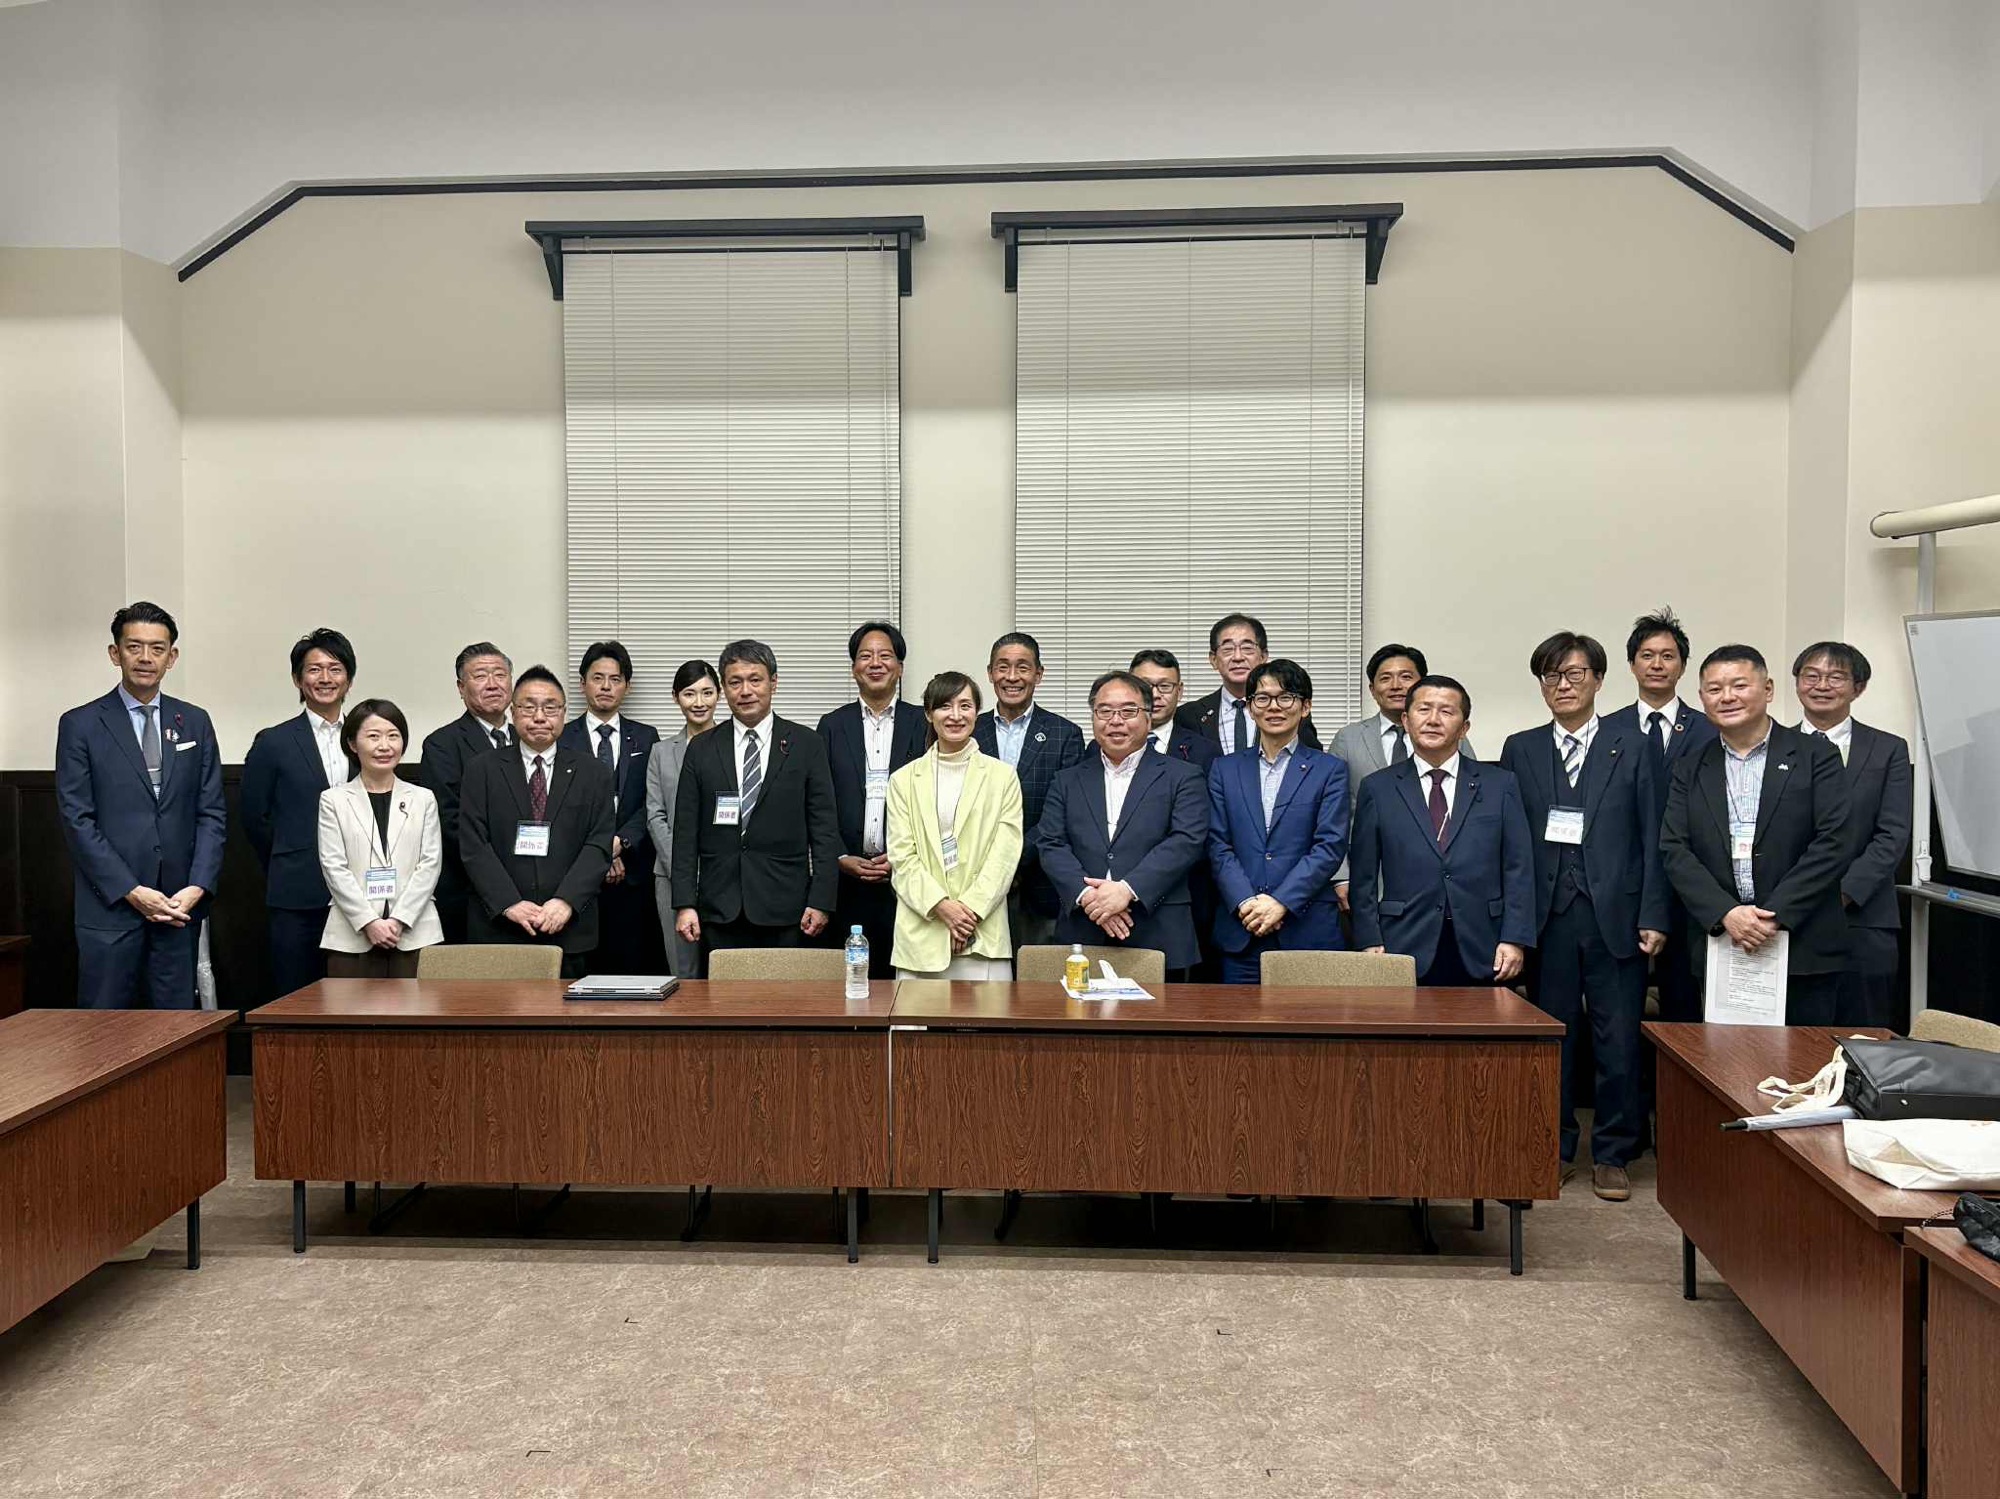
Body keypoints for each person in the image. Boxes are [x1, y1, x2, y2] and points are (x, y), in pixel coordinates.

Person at [1499, 633, 1670, 1202]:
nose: (1563, 685)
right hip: (1548, 918)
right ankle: (1554, 1145)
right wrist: (1513, 926)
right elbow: (1510, 844)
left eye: (1574, 674)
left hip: (1616, 916)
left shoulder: (1634, 745)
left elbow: (1654, 835)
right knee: (1554, 1037)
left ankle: (1614, 1152)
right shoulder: (1521, 748)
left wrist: (1654, 914)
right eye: (1551, 676)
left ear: (1598, 679)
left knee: (1617, 1039)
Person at [1660, 645, 1851, 1025]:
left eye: (1739, 685)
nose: (1727, 697)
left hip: (1802, 944)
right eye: (1714, 689)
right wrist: (1726, 913)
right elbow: (1674, 848)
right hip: (1722, 941)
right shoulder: (1690, 767)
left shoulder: (1817, 756)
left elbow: (1834, 842)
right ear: (1701, 698)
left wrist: (1773, 916)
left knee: (1803, 1059)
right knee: (1725, 1057)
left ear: (1768, 689)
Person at [55, 602, 226, 1009]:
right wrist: (131, 891)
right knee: (105, 1027)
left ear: (172, 657)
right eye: (134, 647)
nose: (146, 657)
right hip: (111, 907)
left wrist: (197, 887)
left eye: (157, 648)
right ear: (115, 653)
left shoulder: (195, 721)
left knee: (175, 1027)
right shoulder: (80, 724)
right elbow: (77, 819)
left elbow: (212, 812)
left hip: (177, 906)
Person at [1350, 676, 1535, 986]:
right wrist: (1369, 939)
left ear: (1464, 728)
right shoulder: (1378, 788)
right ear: (1406, 721)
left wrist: (1514, 938)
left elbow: (1519, 867)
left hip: (1485, 944)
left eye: (1447, 711)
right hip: (1401, 942)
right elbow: (1363, 875)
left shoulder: (1500, 784)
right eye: (1424, 709)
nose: (1433, 720)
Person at [672, 641, 843, 962]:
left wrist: (821, 900)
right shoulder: (702, 748)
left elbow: (824, 830)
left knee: (784, 994)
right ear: (724, 688)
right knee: (722, 994)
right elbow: (684, 834)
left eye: (755, 680)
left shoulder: (807, 744)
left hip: (787, 908)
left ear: (773, 683)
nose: (746, 691)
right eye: (735, 682)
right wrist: (685, 904)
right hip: (719, 908)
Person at [1038, 670, 1209, 975]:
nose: (1115, 721)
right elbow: (1051, 843)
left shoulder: (1183, 776)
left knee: (1161, 1009)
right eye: (1104, 711)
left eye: (1128, 711)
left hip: (1158, 929)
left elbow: (1187, 841)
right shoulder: (1067, 780)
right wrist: (1089, 898)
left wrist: (1127, 890)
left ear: (1148, 718)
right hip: (1083, 928)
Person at [458, 667, 615, 977]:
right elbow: (474, 844)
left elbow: (598, 844)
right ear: (513, 712)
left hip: (569, 927)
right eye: (529, 707)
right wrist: (509, 903)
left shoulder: (594, 772)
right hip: (499, 927)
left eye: (550, 708)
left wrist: (566, 901)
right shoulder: (482, 769)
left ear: (564, 713)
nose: (540, 717)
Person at [1602, 608, 1717, 1020]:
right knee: (1620, 1004)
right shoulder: (1606, 730)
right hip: (1626, 882)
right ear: (1631, 664)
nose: (1657, 664)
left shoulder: (1709, 729)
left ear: (1682, 666)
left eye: (1668, 656)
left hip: (1691, 882)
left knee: (1684, 1002)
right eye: (1647, 655)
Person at [1792, 641, 1912, 1029]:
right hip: (1791, 919)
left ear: (1858, 688)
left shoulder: (1888, 750)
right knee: (1792, 1040)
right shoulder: (1774, 747)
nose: (1821, 685)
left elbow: (1892, 834)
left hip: (1863, 918)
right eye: (1811, 675)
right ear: (1797, 683)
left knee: (1863, 1038)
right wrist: (1795, 898)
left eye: (1836, 677)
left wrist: (1843, 893)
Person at [1206, 660, 1350, 983]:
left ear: (1305, 707)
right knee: (1236, 1017)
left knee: (1309, 1017)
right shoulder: (1224, 769)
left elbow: (1329, 846)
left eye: (1286, 697)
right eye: (1262, 698)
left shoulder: (1330, 770)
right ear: (1250, 708)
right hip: (1242, 928)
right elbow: (1217, 844)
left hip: (1306, 930)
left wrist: (1281, 902)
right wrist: (1247, 902)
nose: (1274, 707)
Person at [241, 628, 356, 1000]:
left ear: (349, 679)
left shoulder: (366, 737)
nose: (325, 678)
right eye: (314, 669)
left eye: (335, 669)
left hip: (362, 892)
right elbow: (255, 818)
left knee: (356, 996)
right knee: (296, 995)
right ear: (297, 679)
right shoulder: (274, 742)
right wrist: (287, 857)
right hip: (297, 892)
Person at [884, 672, 1023, 978]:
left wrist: (967, 914)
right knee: (914, 1012)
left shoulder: (1003, 777)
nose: (956, 715)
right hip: (922, 934)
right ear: (929, 714)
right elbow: (902, 858)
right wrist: (943, 907)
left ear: (977, 712)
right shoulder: (903, 780)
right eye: (945, 706)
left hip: (983, 934)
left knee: (992, 1012)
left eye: (965, 706)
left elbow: (1005, 854)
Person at [1329, 643, 1477, 913]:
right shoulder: (1348, 739)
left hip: (1441, 879)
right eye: (1385, 678)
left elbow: (1469, 806)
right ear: (1372, 689)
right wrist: (1341, 876)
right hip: (1370, 875)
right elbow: (1334, 813)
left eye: (1406, 677)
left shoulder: (1449, 736)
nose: (1396, 685)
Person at [819, 622, 928, 977]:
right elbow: (820, 803)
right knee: (851, 984)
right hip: (847, 883)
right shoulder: (832, 726)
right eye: (866, 656)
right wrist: (839, 857)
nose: (876, 663)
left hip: (907, 881)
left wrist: (903, 857)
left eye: (885, 656)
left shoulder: (923, 723)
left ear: (900, 667)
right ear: (854, 668)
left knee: (905, 984)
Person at [973, 632, 1086, 951]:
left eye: (1022, 667)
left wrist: (1012, 860)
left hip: (1040, 882)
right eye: (1002, 667)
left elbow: (1062, 814)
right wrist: (991, 865)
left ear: (1039, 674)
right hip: (975, 881)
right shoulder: (970, 731)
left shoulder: (1065, 734)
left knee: (1039, 974)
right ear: (990, 673)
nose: (1012, 677)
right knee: (981, 975)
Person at [316, 698, 443, 977]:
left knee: (419, 1004)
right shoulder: (334, 800)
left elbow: (430, 864)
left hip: (415, 933)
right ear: (352, 744)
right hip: (352, 936)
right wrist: (369, 921)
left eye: (393, 736)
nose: (384, 746)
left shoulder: (423, 799)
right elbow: (334, 867)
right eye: (373, 736)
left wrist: (399, 919)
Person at [557, 641, 663, 974]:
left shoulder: (646, 737)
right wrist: (600, 853)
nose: (606, 686)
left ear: (626, 687)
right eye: (597, 678)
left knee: (633, 971)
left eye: (615, 679)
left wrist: (619, 844)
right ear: (582, 683)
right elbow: (557, 808)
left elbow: (651, 802)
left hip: (633, 873)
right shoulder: (562, 737)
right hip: (574, 875)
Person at [420, 642, 515, 942]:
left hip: (532, 888)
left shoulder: (529, 739)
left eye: (500, 674)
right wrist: (505, 867)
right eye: (481, 676)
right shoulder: (442, 745)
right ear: (461, 688)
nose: (492, 684)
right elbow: (450, 821)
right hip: (470, 891)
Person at [645, 660, 723, 978]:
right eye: (690, 693)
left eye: (707, 692)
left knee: (727, 966)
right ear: (675, 697)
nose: (699, 702)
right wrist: (681, 867)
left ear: (719, 694)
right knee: (683, 969)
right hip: (670, 876)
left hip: (724, 874)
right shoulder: (661, 752)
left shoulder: (734, 746)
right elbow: (655, 814)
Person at [1175, 613, 1321, 755]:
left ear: (1263, 656)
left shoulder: (1290, 711)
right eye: (1228, 649)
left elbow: (1311, 760)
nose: (1238, 657)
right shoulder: (1188, 716)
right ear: (1213, 659)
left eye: (1247, 648)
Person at [1129, 649, 1217, 771]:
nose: (1155, 694)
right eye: (1145, 686)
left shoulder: (1204, 751)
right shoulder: (1107, 745)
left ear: (1179, 691)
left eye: (1165, 686)